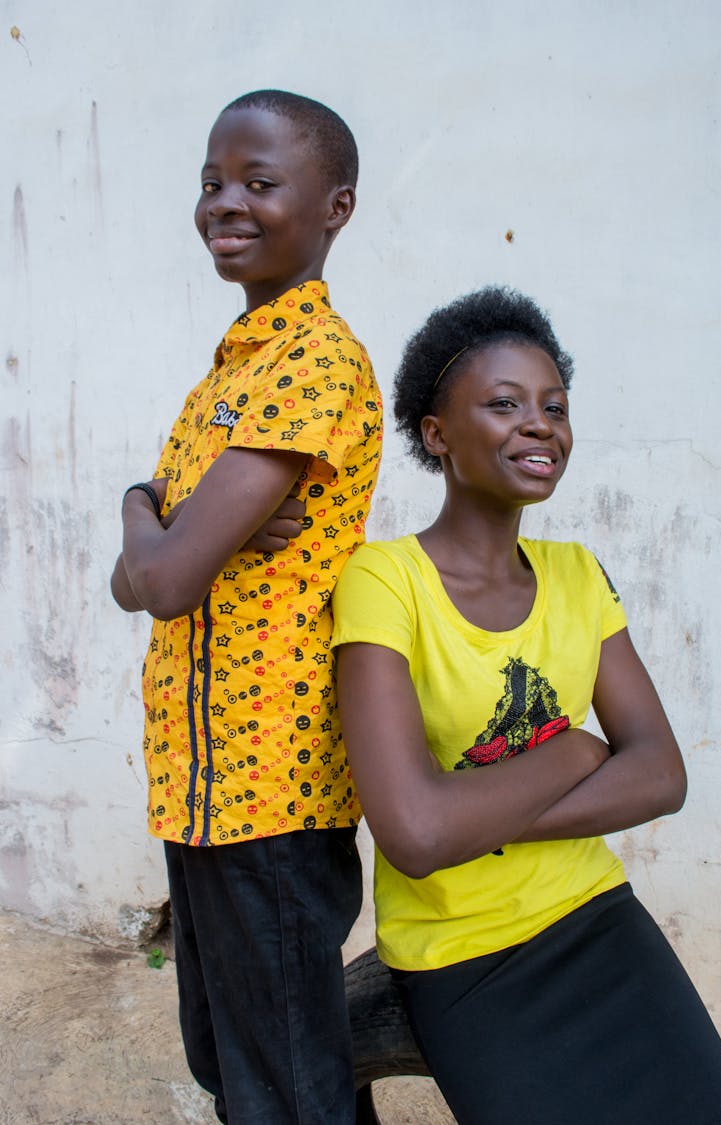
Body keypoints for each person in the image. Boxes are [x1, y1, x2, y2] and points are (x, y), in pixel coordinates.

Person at [331, 287, 721, 1125]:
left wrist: (470, 814)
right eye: (505, 404)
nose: (541, 424)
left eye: (554, 406)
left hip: (595, 914)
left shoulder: (577, 575)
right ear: (437, 435)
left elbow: (661, 774)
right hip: (462, 953)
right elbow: (413, 836)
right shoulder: (386, 582)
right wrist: (571, 754)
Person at [110, 90, 382, 1125]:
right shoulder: (231, 372)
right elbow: (138, 575)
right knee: (241, 1065)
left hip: (269, 782)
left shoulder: (314, 362)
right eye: (213, 183)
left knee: (288, 1086)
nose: (227, 203)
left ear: (335, 208)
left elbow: (166, 582)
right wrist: (152, 513)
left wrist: (146, 513)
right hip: (204, 777)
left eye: (260, 184)